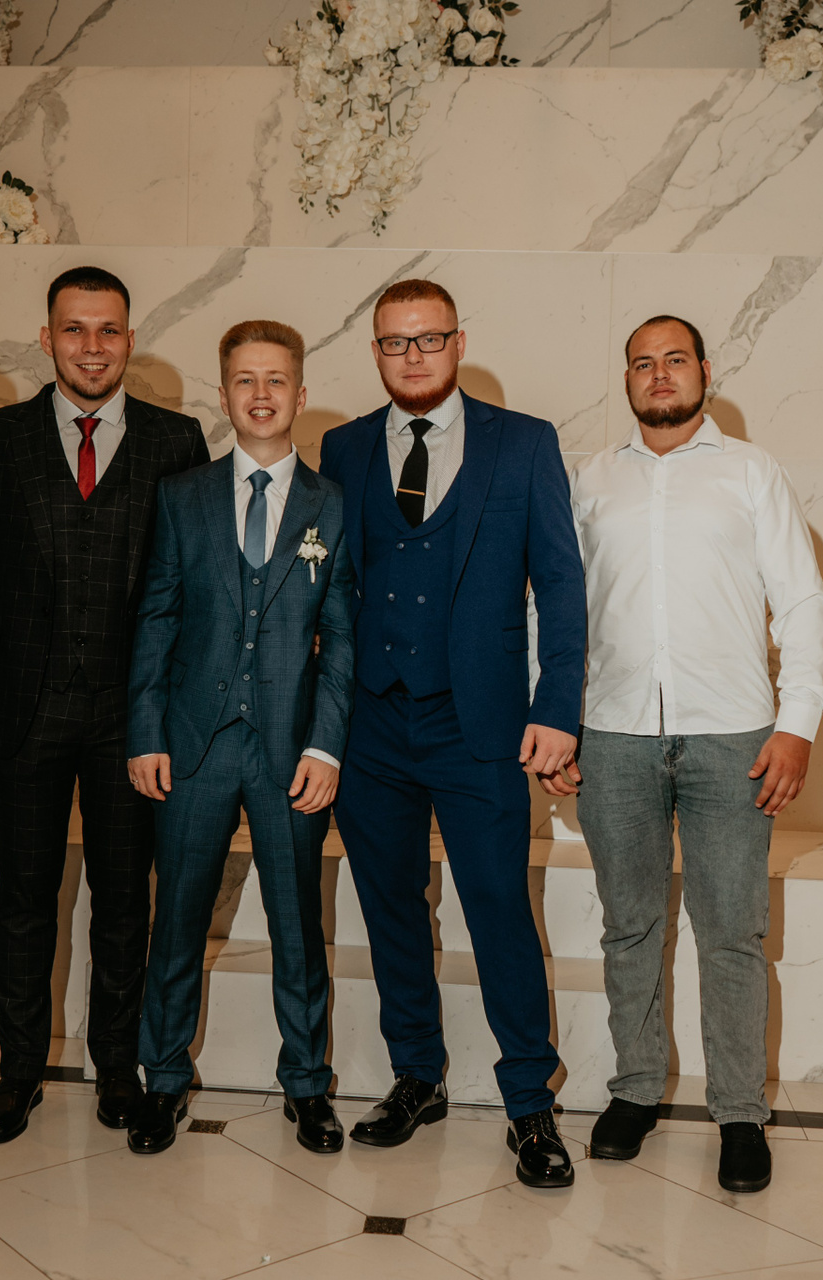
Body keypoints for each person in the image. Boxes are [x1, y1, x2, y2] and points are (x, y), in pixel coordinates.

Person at [317, 279, 586, 1190]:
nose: (413, 356)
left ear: (459, 342)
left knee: (499, 907)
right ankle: (417, 1075)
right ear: (376, 352)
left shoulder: (525, 443)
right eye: (395, 342)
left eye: (428, 339)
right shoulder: (345, 447)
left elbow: (562, 585)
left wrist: (557, 708)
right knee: (391, 905)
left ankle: (529, 1101)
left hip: (482, 721)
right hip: (373, 721)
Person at [564, 314, 823, 1193]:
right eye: (642, 362)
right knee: (629, 926)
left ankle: (740, 1113)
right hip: (613, 733)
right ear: (628, 380)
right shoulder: (591, 479)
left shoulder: (752, 472)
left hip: (733, 737)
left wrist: (797, 724)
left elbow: (802, 604)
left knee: (731, 932)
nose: (659, 374)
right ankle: (636, 1090)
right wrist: (555, 718)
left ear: (705, 372)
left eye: (674, 359)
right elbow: (554, 608)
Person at [0, 267, 209, 1145]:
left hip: (131, 720)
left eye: (108, 331)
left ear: (130, 340)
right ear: (48, 339)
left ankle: (116, 1068)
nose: (92, 347)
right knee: (25, 896)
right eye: (75, 330)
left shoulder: (177, 441)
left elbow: (197, 586)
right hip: (22, 711)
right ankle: (19, 1072)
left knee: (123, 900)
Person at [123, 320, 356, 1156]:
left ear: (300, 393)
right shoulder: (181, 496)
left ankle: (308, 1084)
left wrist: (325, 747)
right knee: (177, 921)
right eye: (245, 381)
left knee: (298, 924)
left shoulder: (333, 505)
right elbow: (156, 617)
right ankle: (162, 1081)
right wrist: (145, 731)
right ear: (223, 397)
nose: (262, 395)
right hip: (194, 744)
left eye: (276, 380)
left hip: (291, 749)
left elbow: (344, 637)